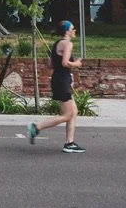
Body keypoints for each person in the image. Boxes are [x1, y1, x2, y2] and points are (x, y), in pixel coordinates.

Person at [27, 20, 85, 153]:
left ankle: (69, 143)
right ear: (67, 31)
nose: (74, 30)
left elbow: (50, 63)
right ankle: (36, 128)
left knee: (73, 112)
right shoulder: (67, 43)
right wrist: (76, 64)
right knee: (67, 115)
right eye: (73, 28)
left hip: (59, 80)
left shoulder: (57, 44)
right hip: (62, 82)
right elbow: (65, 63)